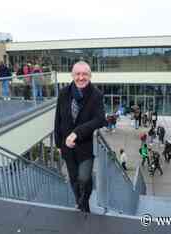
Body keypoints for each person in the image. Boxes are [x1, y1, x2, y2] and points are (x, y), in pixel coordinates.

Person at [54, 61, 106, 213]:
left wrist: (77, 132)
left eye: (85, 74)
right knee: (73, 179)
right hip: (67, 147)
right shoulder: (64, 93)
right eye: (78, 74)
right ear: (72, 75)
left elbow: (99, 119)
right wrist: (59, 145)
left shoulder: (96, 95)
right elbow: (58, 119)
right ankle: (82, 205)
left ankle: (84, 202)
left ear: (90, 76)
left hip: (85, 146)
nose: (81, 77)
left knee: (84, 178)